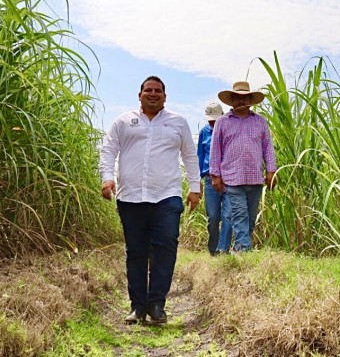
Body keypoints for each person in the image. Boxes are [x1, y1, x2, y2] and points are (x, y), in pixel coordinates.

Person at [99, 75, 201, 325]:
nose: (153, 94)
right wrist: (107, 177)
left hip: (167, 196)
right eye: (148, 90)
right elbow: (109, 149)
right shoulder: (124, 121)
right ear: (140, 95)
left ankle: (157, 305)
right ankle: (137, 307)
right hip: (131, 196)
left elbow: (189, 154)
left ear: (165, 96)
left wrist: (195, 188)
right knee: (136, 251)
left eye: (158, 91)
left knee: (165, 248)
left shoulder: (178, 123)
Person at [209, 81, 277, 252]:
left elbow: (268, 147)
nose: (241, 102)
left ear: (250, 100)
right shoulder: (222, 122)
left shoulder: (260, 122)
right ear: (231, 101)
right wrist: (215, 175)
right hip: (232, 178)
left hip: (255, 178)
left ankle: (239, 248)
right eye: (237, 98)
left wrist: (271, 171)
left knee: (251, 218)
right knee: (239, 215)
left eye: (244, 98)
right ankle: (244, 251)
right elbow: (215, 149)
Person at [197, 102, 230, 256]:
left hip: (229, 179)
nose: (213, 123)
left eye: (215, 119)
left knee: (228, 216)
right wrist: (198, 179)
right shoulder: (204, 132)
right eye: (210, 120)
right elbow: (200, 155)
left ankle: (222, 250)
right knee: (213, 217)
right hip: (210, 180)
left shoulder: (228, 129)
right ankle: (213, 251)